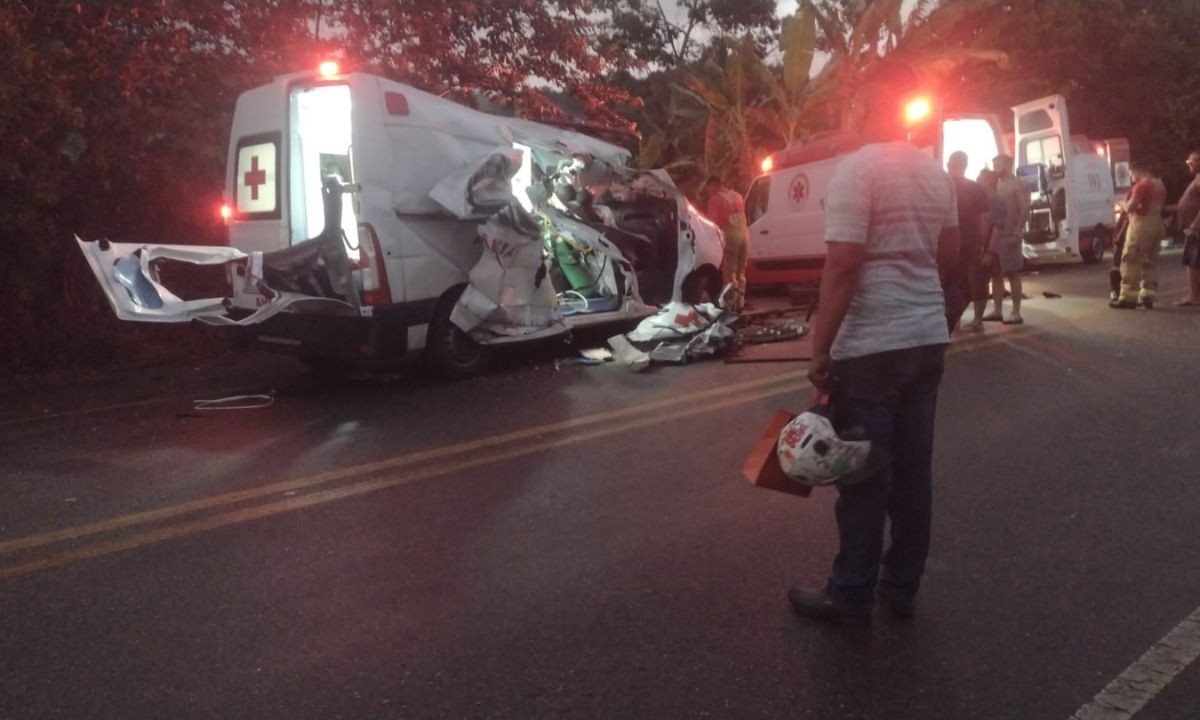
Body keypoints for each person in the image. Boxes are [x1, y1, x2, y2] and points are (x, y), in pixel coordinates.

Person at [789, 66, 959, 627]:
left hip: (871, 344)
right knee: (913, 472)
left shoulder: (855, 172)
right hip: (925, 335)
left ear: (862, 115)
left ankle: (851, 592)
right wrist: (933, 313)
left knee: (861, 472)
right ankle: (901, 586)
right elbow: (950, 254)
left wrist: (820, 350)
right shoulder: (936, 174)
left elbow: (842, 264)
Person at [944, 151, 991, 333]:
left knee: (944, 280)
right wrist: (981, 243)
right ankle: (954, 318)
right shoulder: (976, 188)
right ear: (965, 165)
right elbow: (983, 219)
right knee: (964, 281)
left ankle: (948, 322)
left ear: (949, 163)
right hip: (969, 241)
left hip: (946, 239)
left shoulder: (942, 184)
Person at [1111, 162, 1167, 309]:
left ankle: (1128, 298)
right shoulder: (1159, 185)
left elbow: (1131, 207)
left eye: (1131, 175)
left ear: (1136, 171)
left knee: (1131, 260)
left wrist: (1122, 203)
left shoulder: (1142, 186)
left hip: (1141, 226)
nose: (1132, 178)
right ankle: (1147, 296)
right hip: (1157, 224)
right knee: (1150, 262)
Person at [981, 154, 1029, 324]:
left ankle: (1016, 312)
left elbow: (1024, 208)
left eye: (998, 164)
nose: (995, 167)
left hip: (1010, 235)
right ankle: (997, 310)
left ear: (1008, 163)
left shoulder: (1017, 184)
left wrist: (1017, 231)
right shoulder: (997, 185)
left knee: (1012, 273)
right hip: (996, 236)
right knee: (996, 274)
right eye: (994, 164)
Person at [704, 176, 750, 312]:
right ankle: (740, 304)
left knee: (730, 274)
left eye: (708, 189)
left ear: (713, 186)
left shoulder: (715, 200)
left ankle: (730, 307)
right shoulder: (738, 196)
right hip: (745, 236)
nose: (709, 193)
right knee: (741, 273)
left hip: (730, 237)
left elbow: (711, 223)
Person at [1173, 150, 1200, 306]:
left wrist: (1196, 224)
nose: (1189, 164)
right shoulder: (1196, 178)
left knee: (1192, 261)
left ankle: (1193, 296)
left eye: (1193, 161)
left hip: (1196, 229)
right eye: (1188, 161)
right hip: (1192, 226)